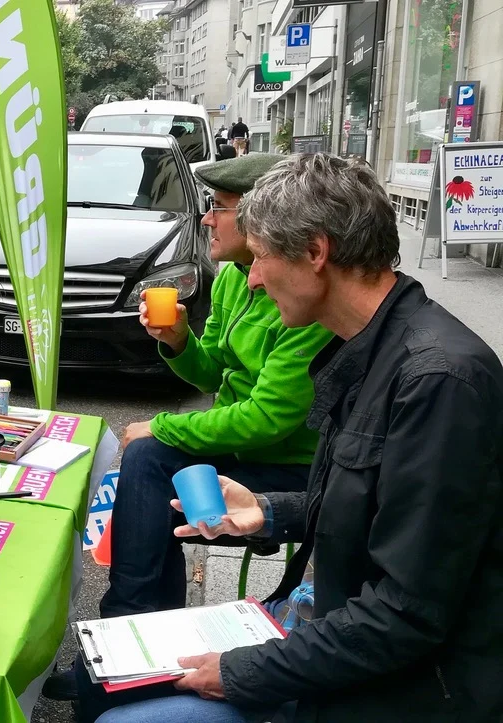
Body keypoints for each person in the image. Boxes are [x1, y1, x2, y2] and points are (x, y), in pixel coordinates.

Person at [74, 154, 503, 723]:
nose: (251, 276)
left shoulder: (438, 381)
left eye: (263, 257)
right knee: (100, 668)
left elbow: (406, 615)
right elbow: (373, 508)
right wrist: (269, 511)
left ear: (316, 253)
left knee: (122, 713)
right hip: (322, 623)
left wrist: (243, 672)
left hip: (394, 685)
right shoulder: (366, 344)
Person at [95, 153, 333, 620]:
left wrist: (163, 425)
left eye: (218, 206)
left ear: (262, 217)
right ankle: (136, 630)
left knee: (152, 468)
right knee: (148, 466)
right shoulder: (232, 278)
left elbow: (268, 419)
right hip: (240, 452)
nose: (206, 219)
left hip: (288, 470)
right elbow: (214, 373)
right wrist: (180, 340)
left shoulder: (303, 296)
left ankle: (128, 630)